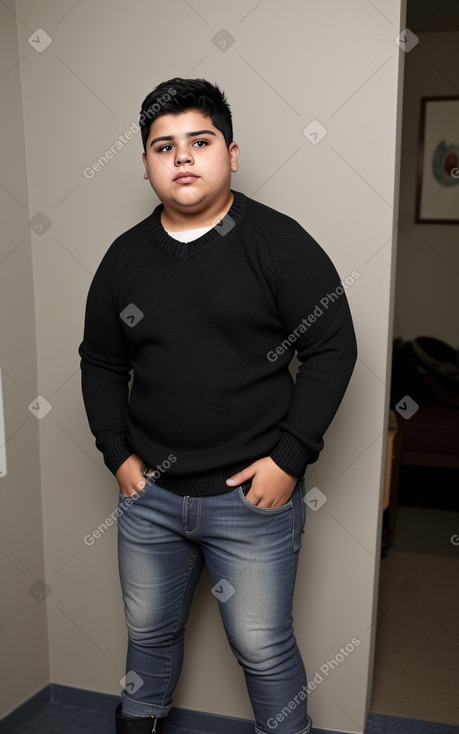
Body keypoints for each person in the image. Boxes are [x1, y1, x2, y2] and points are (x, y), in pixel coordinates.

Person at [79, 77, 357, 734]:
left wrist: (288, 458)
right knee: (148, 633)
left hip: (252, 500)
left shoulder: (277, 243)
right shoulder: (123, 260)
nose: (181, 157)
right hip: (149, 498)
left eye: (198, 142)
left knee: (261, 648)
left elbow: (332, 349)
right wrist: (116, 454)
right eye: (162, 146)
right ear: (145, 164)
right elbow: (101, 362)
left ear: (230, 154)